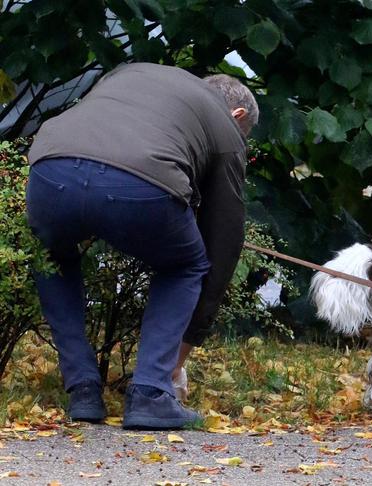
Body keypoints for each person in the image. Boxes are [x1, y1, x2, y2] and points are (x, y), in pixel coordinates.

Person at [26, 62, 258, 429]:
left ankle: (83, 389)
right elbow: (222, 247)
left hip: (49, 169)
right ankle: (151, 391)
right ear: (238, 115)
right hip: (139, 184)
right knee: (185, 265)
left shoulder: (131, 73)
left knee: (52, 257)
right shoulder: (226, 126)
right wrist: (177, 361)